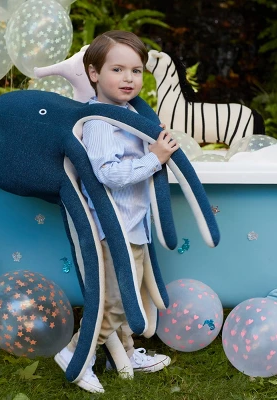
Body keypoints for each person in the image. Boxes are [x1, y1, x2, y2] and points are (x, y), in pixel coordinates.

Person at [54, 30, 179, 394]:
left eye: (136, 71)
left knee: (129, 294)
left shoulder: (128, 115)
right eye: (117, 69)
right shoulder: (100, 123)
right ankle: (76, 351)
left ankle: (122, 352)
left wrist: (153, 142)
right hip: (114, 228)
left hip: (133, 224)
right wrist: (154, 159)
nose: (128, 78)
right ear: (93, 73)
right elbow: (108, 174)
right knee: (116, 300)